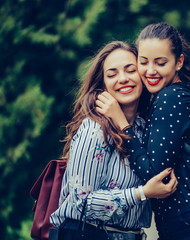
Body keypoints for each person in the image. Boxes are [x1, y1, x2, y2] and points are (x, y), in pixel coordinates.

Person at [96, 23, 190, 240]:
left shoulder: (172, 98)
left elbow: (155, 176)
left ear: (179, 62)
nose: (150, 71)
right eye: (143, 62)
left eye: (160, 63)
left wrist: (122, 123)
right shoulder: (180, 94)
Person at [50, 40, 178, 240]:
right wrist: (142, 192)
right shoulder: (96, 128)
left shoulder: (144, 129)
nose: (123, 79)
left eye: (130, 70)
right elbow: (80, 202)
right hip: (87, 234)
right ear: (103, 84)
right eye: (112, 74)